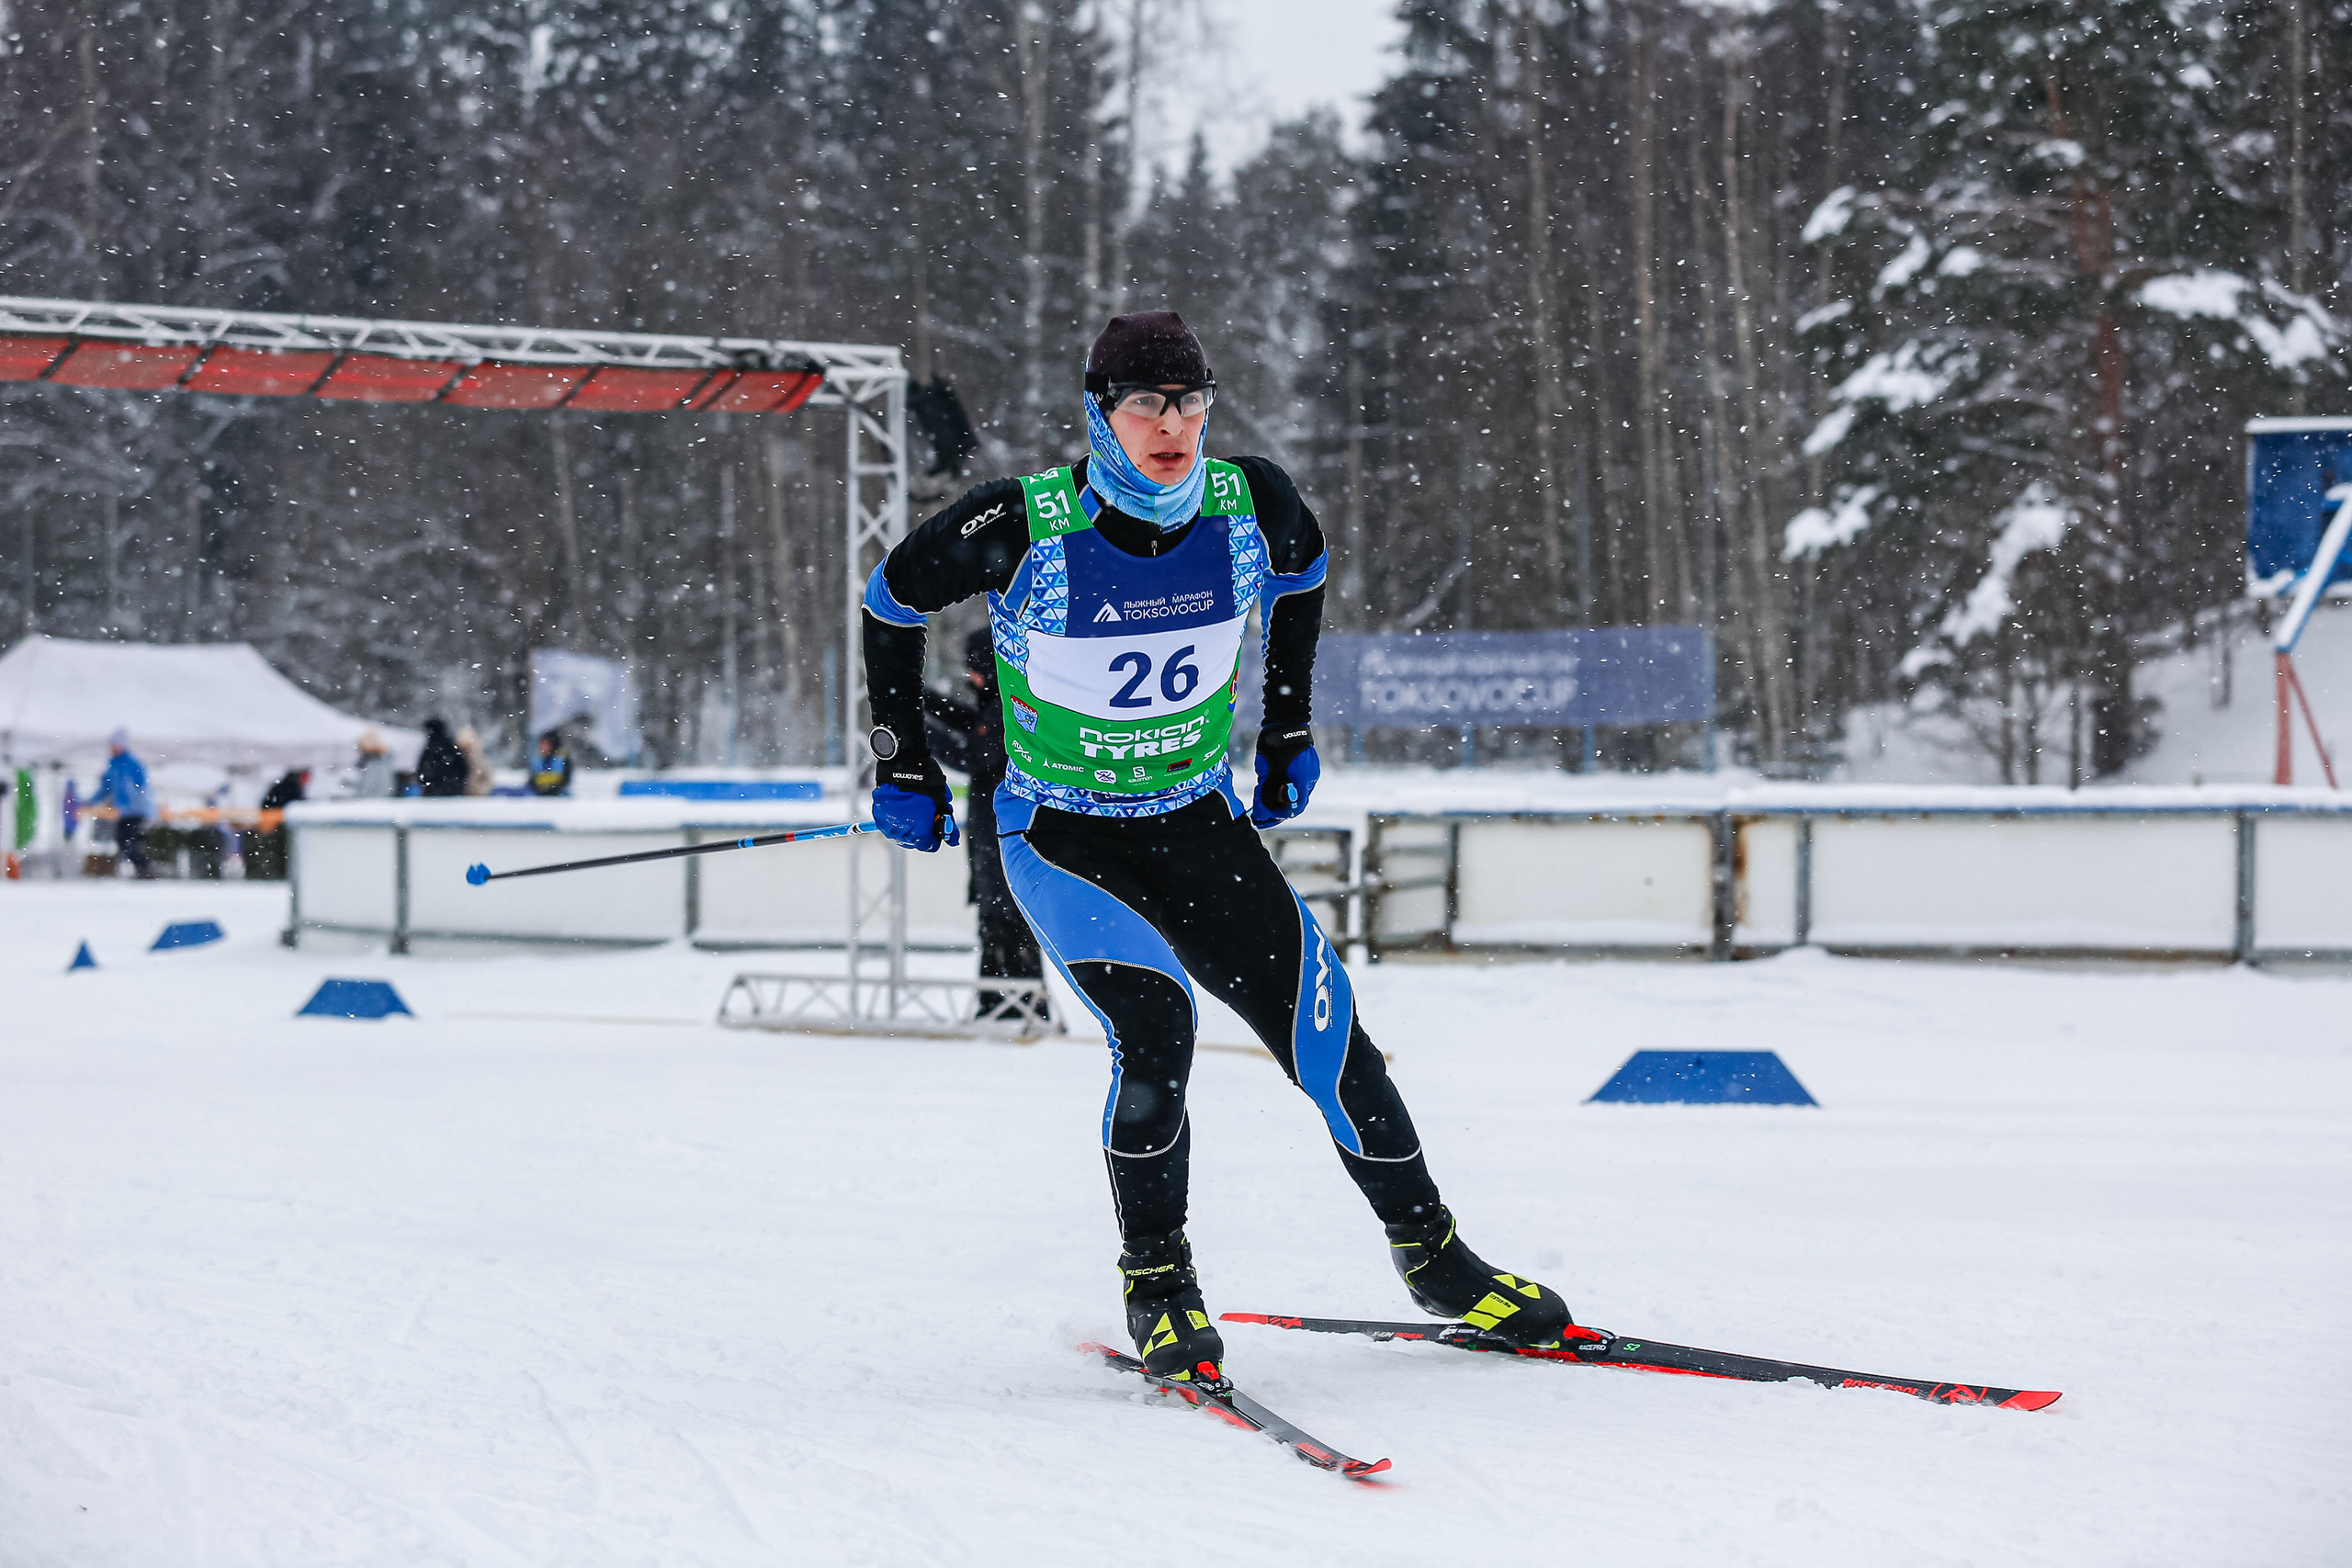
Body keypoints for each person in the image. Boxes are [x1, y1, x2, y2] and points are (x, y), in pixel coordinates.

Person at [860, 310, 1573, 1387]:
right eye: (1146, 404)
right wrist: (900, 759)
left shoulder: (1252, 501)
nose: (1174, 427)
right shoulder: (1022, 522)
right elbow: (889, 601)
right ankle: (1159, 1284)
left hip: (1197, 824)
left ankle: (1436, 1260)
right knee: (1158, 1027)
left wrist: (1288, 727)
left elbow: (1304, 576)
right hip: (1063, 838)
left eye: (1191, 403)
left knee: (1330, 1037)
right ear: (1100, 413)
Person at [922, 626, 1051, 1024]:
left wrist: (920, 734)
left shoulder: (1008, 708)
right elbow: (971, 724)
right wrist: (923, 700)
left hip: (1004, 836)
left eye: (976, 670)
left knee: (1006, 918)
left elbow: (972, 753)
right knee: (1000, 916)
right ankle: (1004, 1004)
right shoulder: (1004, 699)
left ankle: (1014, 1006)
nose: (971, 679)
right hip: (995, 833)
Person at [93, 729, 154, 878]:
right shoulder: (114, 765)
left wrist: (135, 804)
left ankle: (145, 870)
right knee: (123, 842)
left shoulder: (132, 764)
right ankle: (142, 869)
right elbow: (106, 788)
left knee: (129, 843)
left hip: (136, 811)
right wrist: (91, 800)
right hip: (123, 812)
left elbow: (140, 788)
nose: (111, 748)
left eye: (113, 745)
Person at [249, 767, 309, 880]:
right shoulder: (292, 787)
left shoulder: (284, 785)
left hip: (272, 826)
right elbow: (297, 806)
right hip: (278, 827)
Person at [414, 717, 469, 797]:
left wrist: (423, 780)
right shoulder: (450, 744)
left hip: (433, 789)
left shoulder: (431, 746)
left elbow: (423, 766)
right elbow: (463, 766)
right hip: (453, 788)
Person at [350, 729, 395, 799]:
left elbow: (380, 788)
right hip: (370, 802)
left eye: (361, 747)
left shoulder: (377, 764)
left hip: (374, 804)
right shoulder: (368, 763)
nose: (358, 750)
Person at [529, 729, 573, 796]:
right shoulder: (537, 758)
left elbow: (566, 780)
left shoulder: (562, 757)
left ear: (552, 744)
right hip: (537, 792)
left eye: (546, 743)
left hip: (557, 792)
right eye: (542, 743)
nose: (542, 746)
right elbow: (532, 779)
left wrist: (552, 788)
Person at [457, 726, 495, 795]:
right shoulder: (456, 759)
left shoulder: (479, 761)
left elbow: (487, 780)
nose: (466, 750)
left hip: (475, 797)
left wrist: (479, 791)